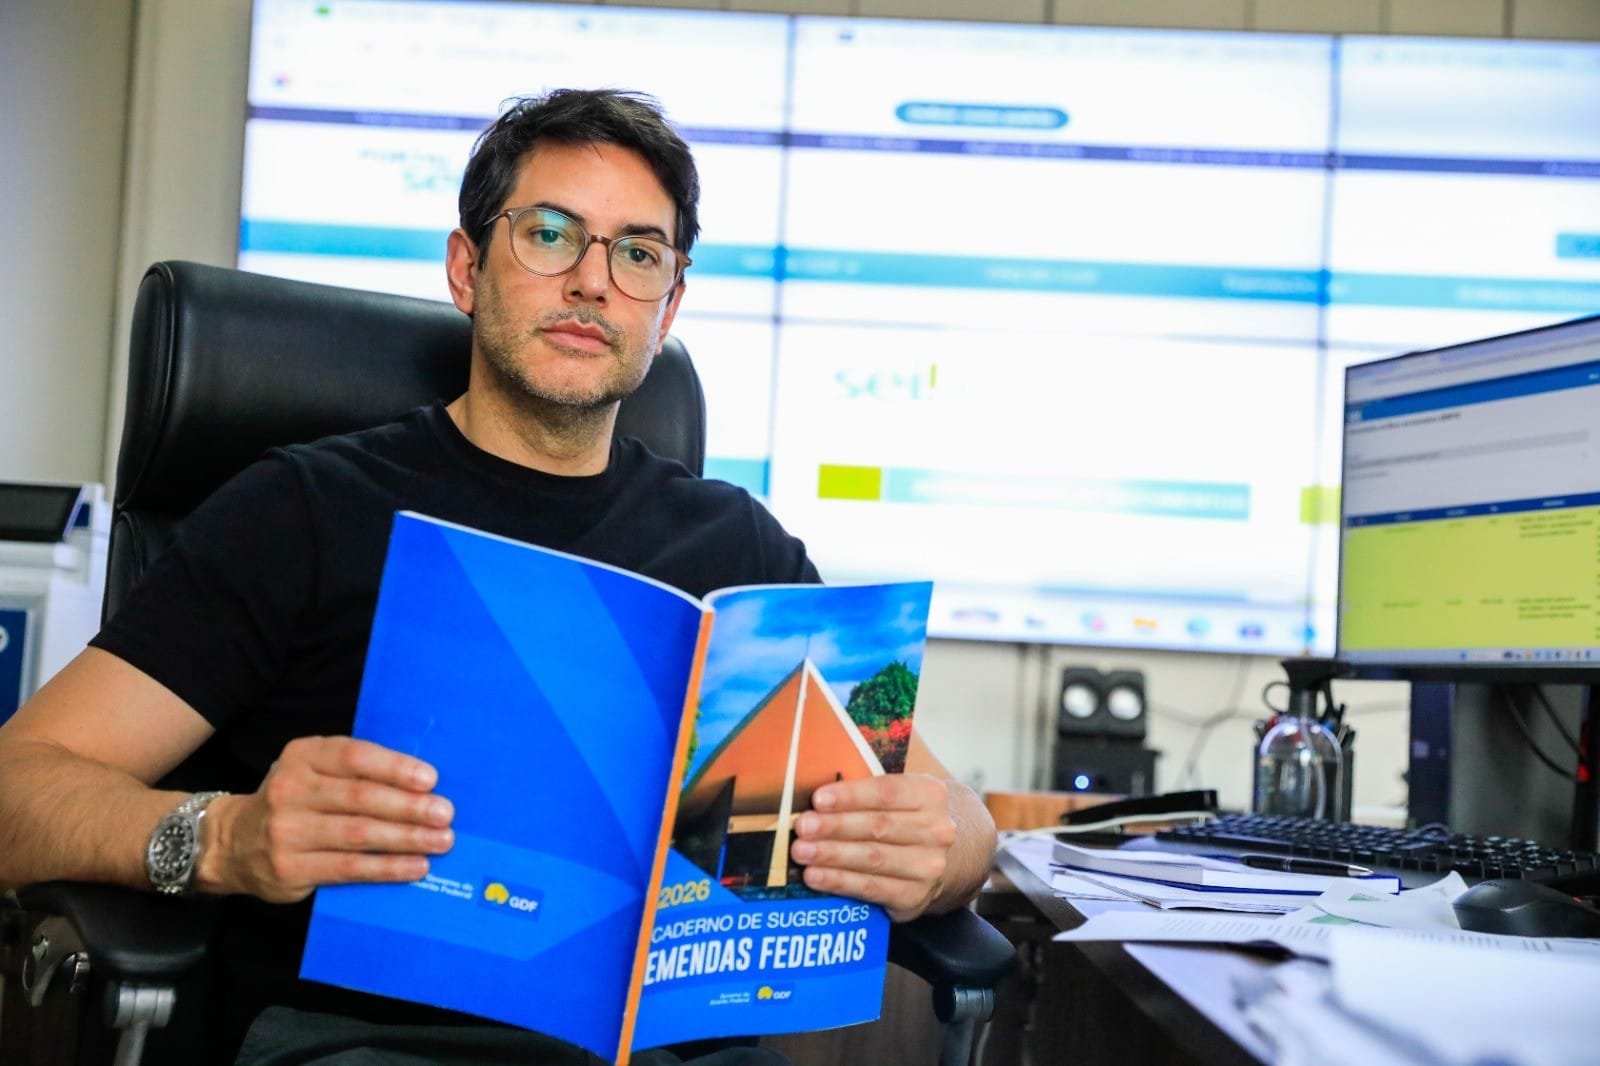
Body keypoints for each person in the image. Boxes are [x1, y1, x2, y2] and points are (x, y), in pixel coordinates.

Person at [0, 88, 997, 1064]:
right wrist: (226, 837)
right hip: (371, 1044)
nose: (593, 281)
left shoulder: (738, 548)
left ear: (669, 306)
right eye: (551, 234)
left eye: (637, 253)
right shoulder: (303, 510)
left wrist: (941, 849)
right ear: (467, 268)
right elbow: (19, 783)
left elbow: (957, 816)